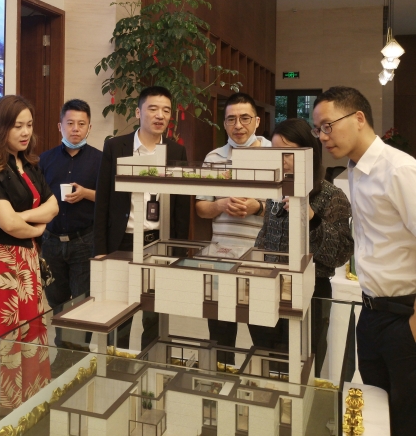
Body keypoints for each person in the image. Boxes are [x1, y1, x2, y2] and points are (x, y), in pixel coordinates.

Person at [313, 86, 416, 436]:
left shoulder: (400, 170)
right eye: (318, 129)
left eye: (328, 125)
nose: (323, 136)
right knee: (376, 412)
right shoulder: (353, 171)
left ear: (358, 118)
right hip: (370, 313)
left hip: (404, 316)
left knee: (406, 418)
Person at [0, 95, 59, 434]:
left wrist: (24, 218)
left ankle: (20, 417)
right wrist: (35, 224)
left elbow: (53, 207)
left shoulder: (29, 164)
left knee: (30, 339)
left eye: (29, 125)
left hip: (28, 262)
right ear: (1, 127)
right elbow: (6, 224)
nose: (25, 132)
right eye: (17, 125)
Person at [249, 118, 353, 376]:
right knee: (266, 362)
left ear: (309, 153)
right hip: (270, 285)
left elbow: (340, 254)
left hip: (311, 291)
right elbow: (265, 235)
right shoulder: (276, 190)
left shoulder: (332, 196)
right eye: (276, 153)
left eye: (288, 153)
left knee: (305, 364)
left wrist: (312, 218)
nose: (282, 161)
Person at [93, 86, 190, 348]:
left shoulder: (176, 152)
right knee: (119, 312)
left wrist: (179, 254)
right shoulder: (116, 147)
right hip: (122, 241)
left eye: (166, 110)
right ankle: (118, 362)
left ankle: (151, 362)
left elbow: (181, 209)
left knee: (154, 313)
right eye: (153, 109)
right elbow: (103, 201)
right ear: (138, 112)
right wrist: (100, 250)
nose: (160, 115)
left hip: (159, 243)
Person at [194, 92, 271, 363]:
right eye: (231, 119)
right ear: (224, 123)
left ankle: (262, 385)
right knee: (221, 334)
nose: (238, 125)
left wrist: (257, 207)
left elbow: (289, 207)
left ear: (257, 121)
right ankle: (221, 382)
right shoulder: (213, 157)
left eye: (245, 118)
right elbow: (201, 208)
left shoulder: (274, 153)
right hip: (220, 258)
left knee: (264, 335)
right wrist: (220, 205)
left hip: (262, 258)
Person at [39, 99, 102, 311]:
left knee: (84, 301)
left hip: (84, 241)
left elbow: (110, 199)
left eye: (81, 124)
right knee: (56, 302)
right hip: (51, 241)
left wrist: (86, 194)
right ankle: (61, 334)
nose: (75, 128)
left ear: (89, 127)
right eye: (70, 123)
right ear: (60, 126)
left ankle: (81, 335)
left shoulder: (100, 160)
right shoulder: (45, 160)